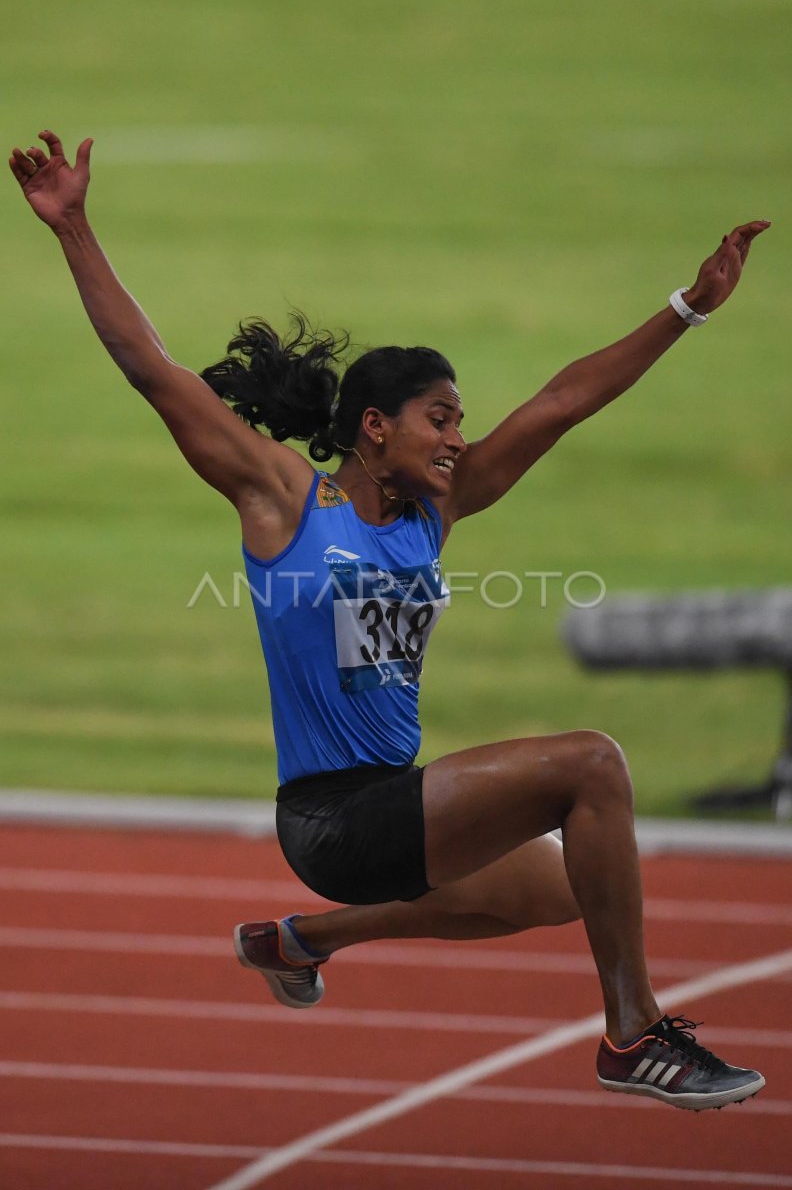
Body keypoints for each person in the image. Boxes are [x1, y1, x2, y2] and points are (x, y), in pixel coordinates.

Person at [10, 129, 770, 1112]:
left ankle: (301, 940)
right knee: (594, 766)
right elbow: (154, 370)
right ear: (378, 428)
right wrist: (72, 226)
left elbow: (565, 399)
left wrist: (687, 308)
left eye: (459, 422)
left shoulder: (435, 513)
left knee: (569, 891)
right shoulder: (284, 501)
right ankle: (633, 1034)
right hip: (331, 816)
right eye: (441, 419)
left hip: (397, 804)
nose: (460, 440)